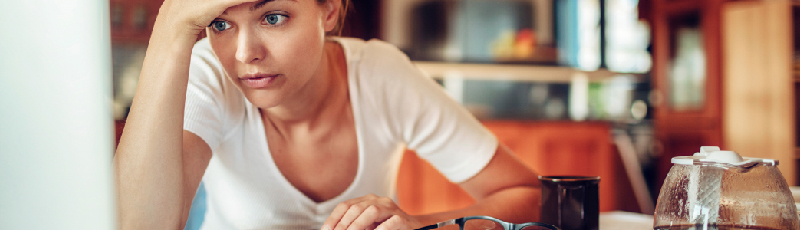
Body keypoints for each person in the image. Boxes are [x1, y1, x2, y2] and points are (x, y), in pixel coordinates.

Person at [113, 0, 543, 229]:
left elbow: (531, 195)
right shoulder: (210, 74)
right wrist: (172, 23)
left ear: (329, 10)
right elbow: (134, 226)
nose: (245, 54)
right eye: (220, 24)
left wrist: (417, 227)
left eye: (274, 17)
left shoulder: (379, 76)